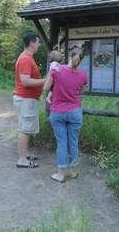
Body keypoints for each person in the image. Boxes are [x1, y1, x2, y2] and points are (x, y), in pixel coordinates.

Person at [44, 53, 88, 182]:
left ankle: (61, 174)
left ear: (69, 58)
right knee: (73, 142)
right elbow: (81, 91)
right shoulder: (83, 75)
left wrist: (51, 75)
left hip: (57, 112)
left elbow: (46, 87)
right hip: (75, 111)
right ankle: (73, 172)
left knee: (62, 143)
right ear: (80, 61)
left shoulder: (57, 70)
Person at [13, 32, 46, 169]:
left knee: (25, 127)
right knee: (24, 129)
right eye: (38, 42)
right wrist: (45, 80)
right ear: (32, 43)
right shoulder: (26, 59)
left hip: (27, 99)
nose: (39, 45)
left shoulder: (27, 57)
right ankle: (21, 160)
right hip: (26, 99)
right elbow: (25, 81)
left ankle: (25, 154)